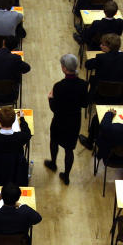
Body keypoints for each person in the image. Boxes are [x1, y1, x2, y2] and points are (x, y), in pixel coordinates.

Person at [80, 34, 123, 149]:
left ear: (108, 47)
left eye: (103, 44)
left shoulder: (100, 58)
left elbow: (88, 65)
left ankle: (90, 141)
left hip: (100, 95)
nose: (100, 46)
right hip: (119, 95)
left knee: (96, 117)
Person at [44, 54, 89, 184]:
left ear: (64, 68)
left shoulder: (59, 86)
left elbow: (54, 108)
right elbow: (84, 104)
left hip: (59, 121)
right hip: (74, 121)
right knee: (69, 149)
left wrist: (50, 99)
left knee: (54, 141)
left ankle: (53, 163)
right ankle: (66, 176)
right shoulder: (83, 85)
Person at [0, 106, 31, 186]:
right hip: (15, 169)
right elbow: (27, 133)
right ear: (14, 120)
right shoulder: (20, 137)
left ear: (0, 121)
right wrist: (22, 119)